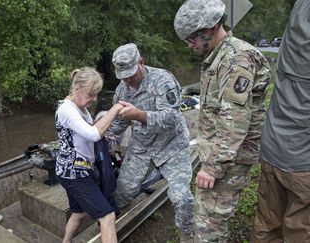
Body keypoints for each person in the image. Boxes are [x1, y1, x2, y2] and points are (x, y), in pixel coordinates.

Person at [174, 0, 271, 242]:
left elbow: (235, 118)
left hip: (228, 160)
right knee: (206, 217)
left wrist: (212, 167)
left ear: (210, 28)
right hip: (221, 154)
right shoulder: (218, 57)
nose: (189, 45)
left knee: (210, 227)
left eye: (192, 38)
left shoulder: (236, 58)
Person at [109, 43, 194, 242]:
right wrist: (100, 132)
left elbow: (172, 119)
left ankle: (187, 236)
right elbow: (119, 123)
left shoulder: (162, 80)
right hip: (142, 148)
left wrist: (139, 115)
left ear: (142, 62)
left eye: (131, 73)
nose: (128, 80)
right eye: (123, 76)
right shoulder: (122, 90)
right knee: (122, 194)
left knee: (182, 198)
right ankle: (110, 225)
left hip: (171, 147)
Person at [250, 1, 310, 242]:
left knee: (266, 222)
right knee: (300, 230)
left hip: (272, 149)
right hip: (303, 162)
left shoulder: (296, 26)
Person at [55, 67, 123, 243]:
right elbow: (93, 134)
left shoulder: (81, 107)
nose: (95, 99)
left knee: (78, 213)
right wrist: (114, 110)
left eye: (96, 94)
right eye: (91, 94)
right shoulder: (66, 110)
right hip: (73, 173)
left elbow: (87, 132)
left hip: (78, 170)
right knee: (107, 217)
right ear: (77, 89)